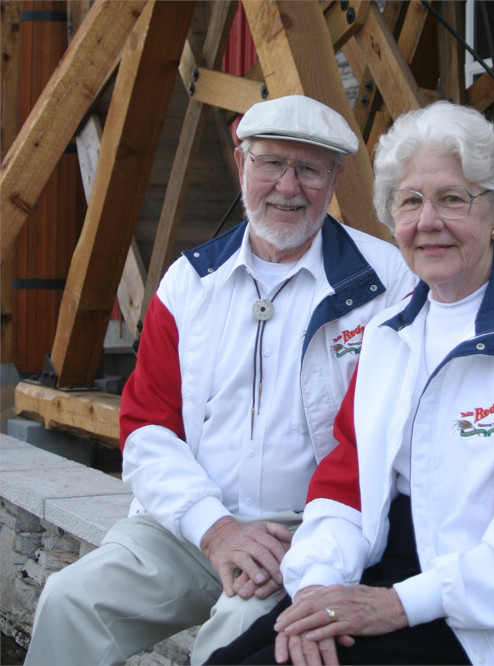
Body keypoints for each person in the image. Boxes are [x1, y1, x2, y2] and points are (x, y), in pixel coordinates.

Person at [206, 101, 494, 666]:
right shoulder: (387, 331)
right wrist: (316, 588)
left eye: (453, 199)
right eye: (409, 202)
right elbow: (344, 487)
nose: (427, 222)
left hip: (492, 614)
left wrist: (397, 604)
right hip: (384, 578)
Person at [24, 94, 416, 666]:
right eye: (271, 163)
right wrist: (216, 529)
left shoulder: (388, 284)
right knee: (68, 601)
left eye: (308, 169)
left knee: (232, 636)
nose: (288, 186)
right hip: (189, 526)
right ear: (241, 164)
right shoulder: (189, 283)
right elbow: (145, 430)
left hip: (306, 531)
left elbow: (386, 439)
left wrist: (316, 542)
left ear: (334, 179)